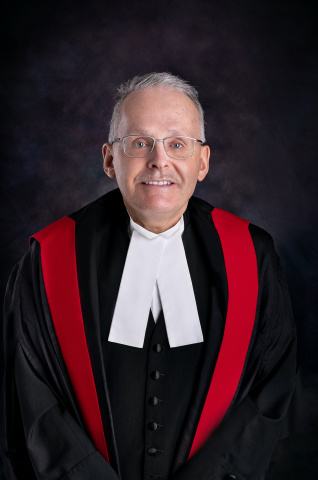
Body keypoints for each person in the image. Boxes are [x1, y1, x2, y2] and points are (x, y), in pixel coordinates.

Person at [1, 72, 297, 480]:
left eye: (178, 144)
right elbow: (29, 397)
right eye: (140, 143)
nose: (160, 160)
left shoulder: (252, 255)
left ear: (203, 161)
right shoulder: (48, 260)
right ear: (109, 159)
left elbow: (271, 388)